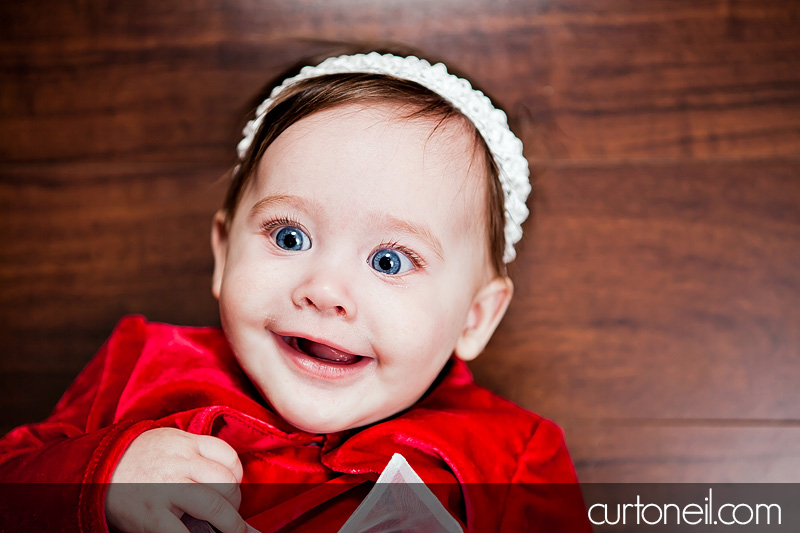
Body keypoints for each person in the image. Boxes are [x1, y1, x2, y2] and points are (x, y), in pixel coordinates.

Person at [0, 51, 591, 532]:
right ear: (223, 253)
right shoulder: (142, 365)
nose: (326, 290)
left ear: (475, 319)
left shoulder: (513, 458)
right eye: (289, 236)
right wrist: (99, 480)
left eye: (389, 260)